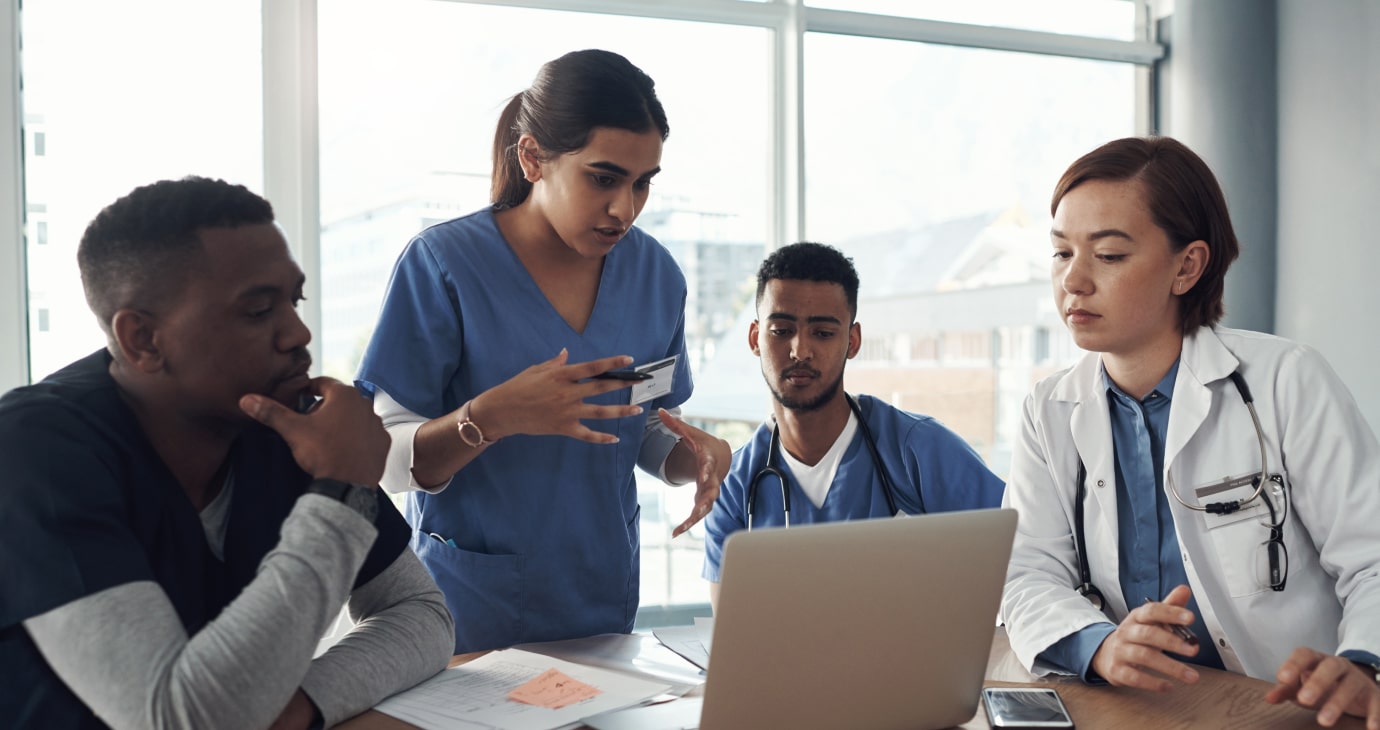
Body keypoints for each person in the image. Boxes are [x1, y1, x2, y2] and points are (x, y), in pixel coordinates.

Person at [0, 177, 454, 730]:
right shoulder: (36, 449)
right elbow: (177, 720)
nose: (298, 333)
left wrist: (300, 705)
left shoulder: (280, 423)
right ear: (143, 340)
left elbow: (421, 614)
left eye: (295, 300)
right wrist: (339, 491)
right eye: (259, 310)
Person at [355, 49, 730, 654]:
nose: (624, 208)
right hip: (471, 612)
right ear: (532, 158)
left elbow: (640, 426)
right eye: (603, 178)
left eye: (642, 184)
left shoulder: (657, 274)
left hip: (602, 605)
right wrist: (489, 419)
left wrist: (694, 456)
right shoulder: (444, 265)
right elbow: (382, 462)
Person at [1000, 136, 1380, 727]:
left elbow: (1373, 556)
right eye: (1060, 253)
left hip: (1293, 709)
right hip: (1150, 711)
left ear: (1187, 266)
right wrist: (1098, 645)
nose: (1073, 281)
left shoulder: (1286, 379)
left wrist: (1366, 663)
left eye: (1108, 255)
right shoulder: (1049, 408)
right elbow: (1027, 573)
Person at [701, 242, 1007, 610]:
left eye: (823, 333)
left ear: (853, 340)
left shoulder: (918, 449)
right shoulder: (735, 485)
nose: (800, 350)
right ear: (755, 339)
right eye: (782, 331)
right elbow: (734, 633)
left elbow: (1019, 560)